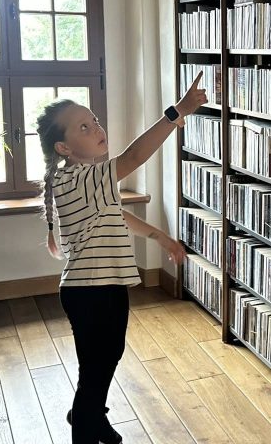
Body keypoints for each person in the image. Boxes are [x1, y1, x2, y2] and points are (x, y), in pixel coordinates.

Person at [34, 72, 207, 444]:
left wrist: (160, 237)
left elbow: (117, 215)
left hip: (100, 288)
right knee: (99, 365)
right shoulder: (80, 179)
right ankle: (85, 419)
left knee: (102, 360)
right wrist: (177, 112)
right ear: (63, 147)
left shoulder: (87, 180)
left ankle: (91, 414)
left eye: (94, 120)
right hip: (92, 291)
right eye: (83, 127)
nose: (96, 128)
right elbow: (133, 157)